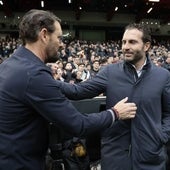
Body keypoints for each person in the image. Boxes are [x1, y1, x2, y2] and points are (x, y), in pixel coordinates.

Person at [0, 9, 137, 170]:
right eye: (59, 37)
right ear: (44, 35)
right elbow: (79, 125)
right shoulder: (34, 75)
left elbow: (51, 89)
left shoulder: (11, 64)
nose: (61, 43)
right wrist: (115, 113)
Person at [59, 23, 170, 170]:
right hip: (115, 157)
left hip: (151, 157)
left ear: (146, 46)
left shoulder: (162, 76)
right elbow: (77, 92)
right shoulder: (109, 72)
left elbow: (168, 113)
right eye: (124, 42)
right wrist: (45, 81)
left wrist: (161, 136)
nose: (125, 46)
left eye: (132, 42)